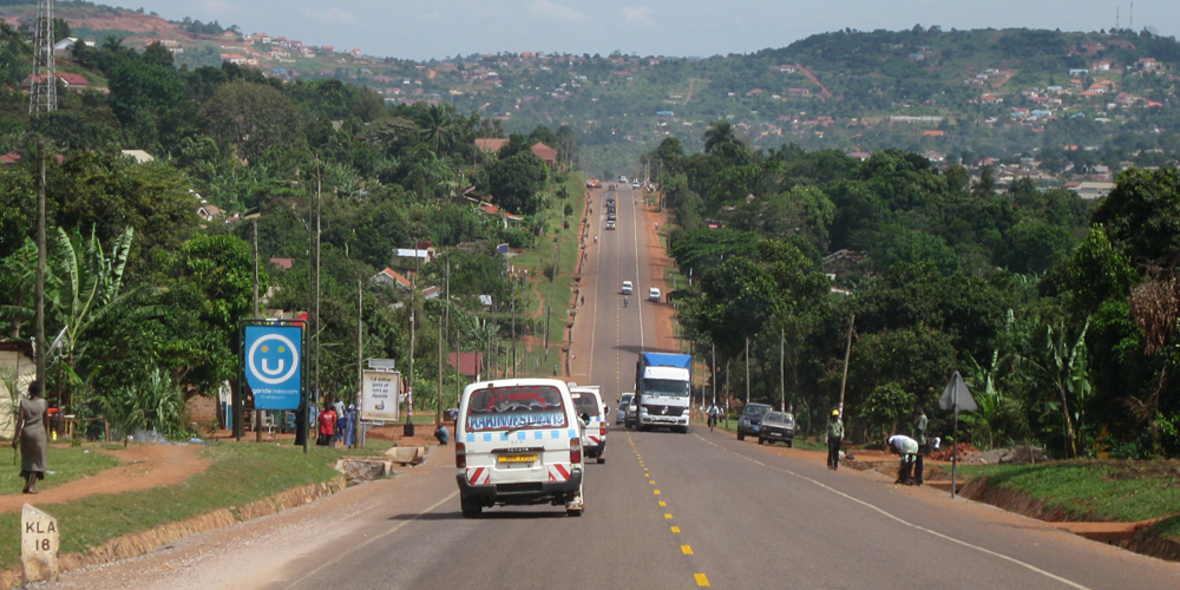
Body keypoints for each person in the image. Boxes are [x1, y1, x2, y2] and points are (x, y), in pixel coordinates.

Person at [12, 380, 48, 494]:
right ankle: (32, 485)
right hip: (39, 433)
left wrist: (16, 437)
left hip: (26, 433)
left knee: (27, 458)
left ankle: (26, 483)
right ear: (39, 391)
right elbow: (46, 420)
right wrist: (47, 435)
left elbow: (20, 421)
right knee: (37, 459)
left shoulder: (24, 402)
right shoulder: (43, 403)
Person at [912, 405, 928, 485]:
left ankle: (918, 478)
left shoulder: (922, 418)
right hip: (918, 440)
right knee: (918, 460)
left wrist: (915, 422)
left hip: (919, 441)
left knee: (919, 460)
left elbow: (919, 429)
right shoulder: (922, 417)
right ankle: (917, 477)